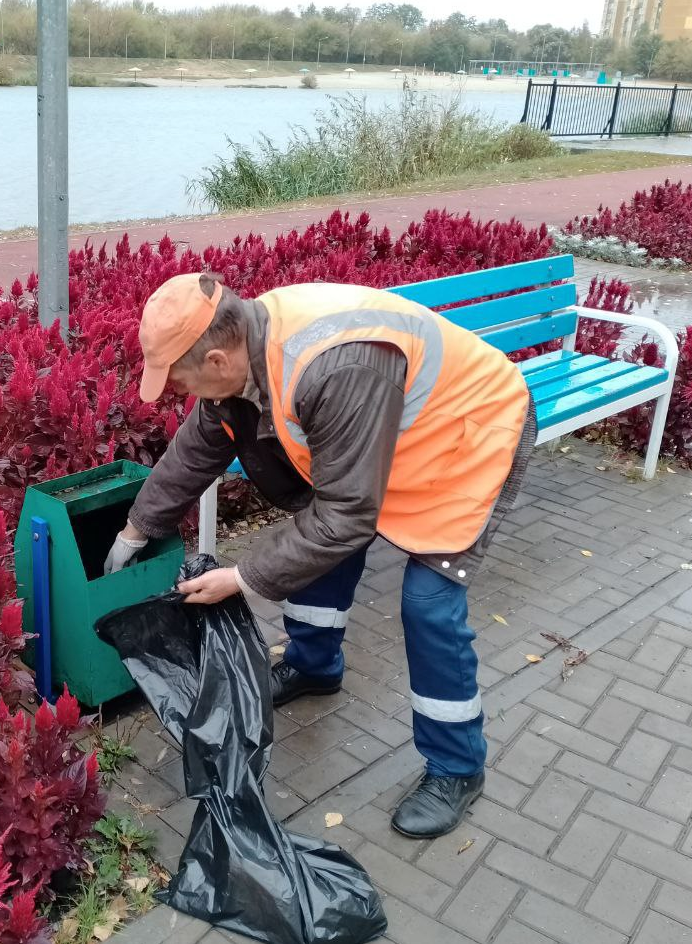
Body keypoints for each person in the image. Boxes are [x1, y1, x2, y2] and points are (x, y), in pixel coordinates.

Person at [104, 271, 536, 838]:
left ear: (214, 360)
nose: (187, 398)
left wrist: (244, 576)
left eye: (182, 384)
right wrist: (135, 530)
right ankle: (315, 664)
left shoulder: (334, 366)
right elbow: (197, 448)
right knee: (316, 545)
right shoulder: (247, 355)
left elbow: (346, 515)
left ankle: (457, 766)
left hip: (466, 438)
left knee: (429, 604)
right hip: (388, 444)